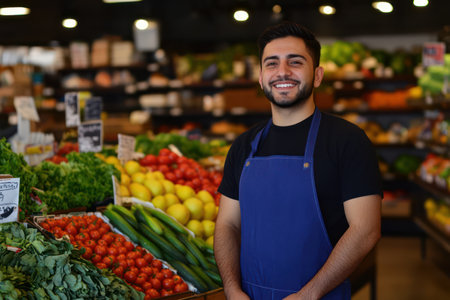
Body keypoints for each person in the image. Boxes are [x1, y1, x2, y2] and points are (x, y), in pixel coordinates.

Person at [214, 21, 382, 300]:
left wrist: (309, 294)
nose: (282, 72)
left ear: (317, 75)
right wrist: (232, 290)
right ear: (260, 77)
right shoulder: (244, 146)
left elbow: (366, 230)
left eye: (295, 62)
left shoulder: (348, 141)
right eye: (271, 63)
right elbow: (228, 224)